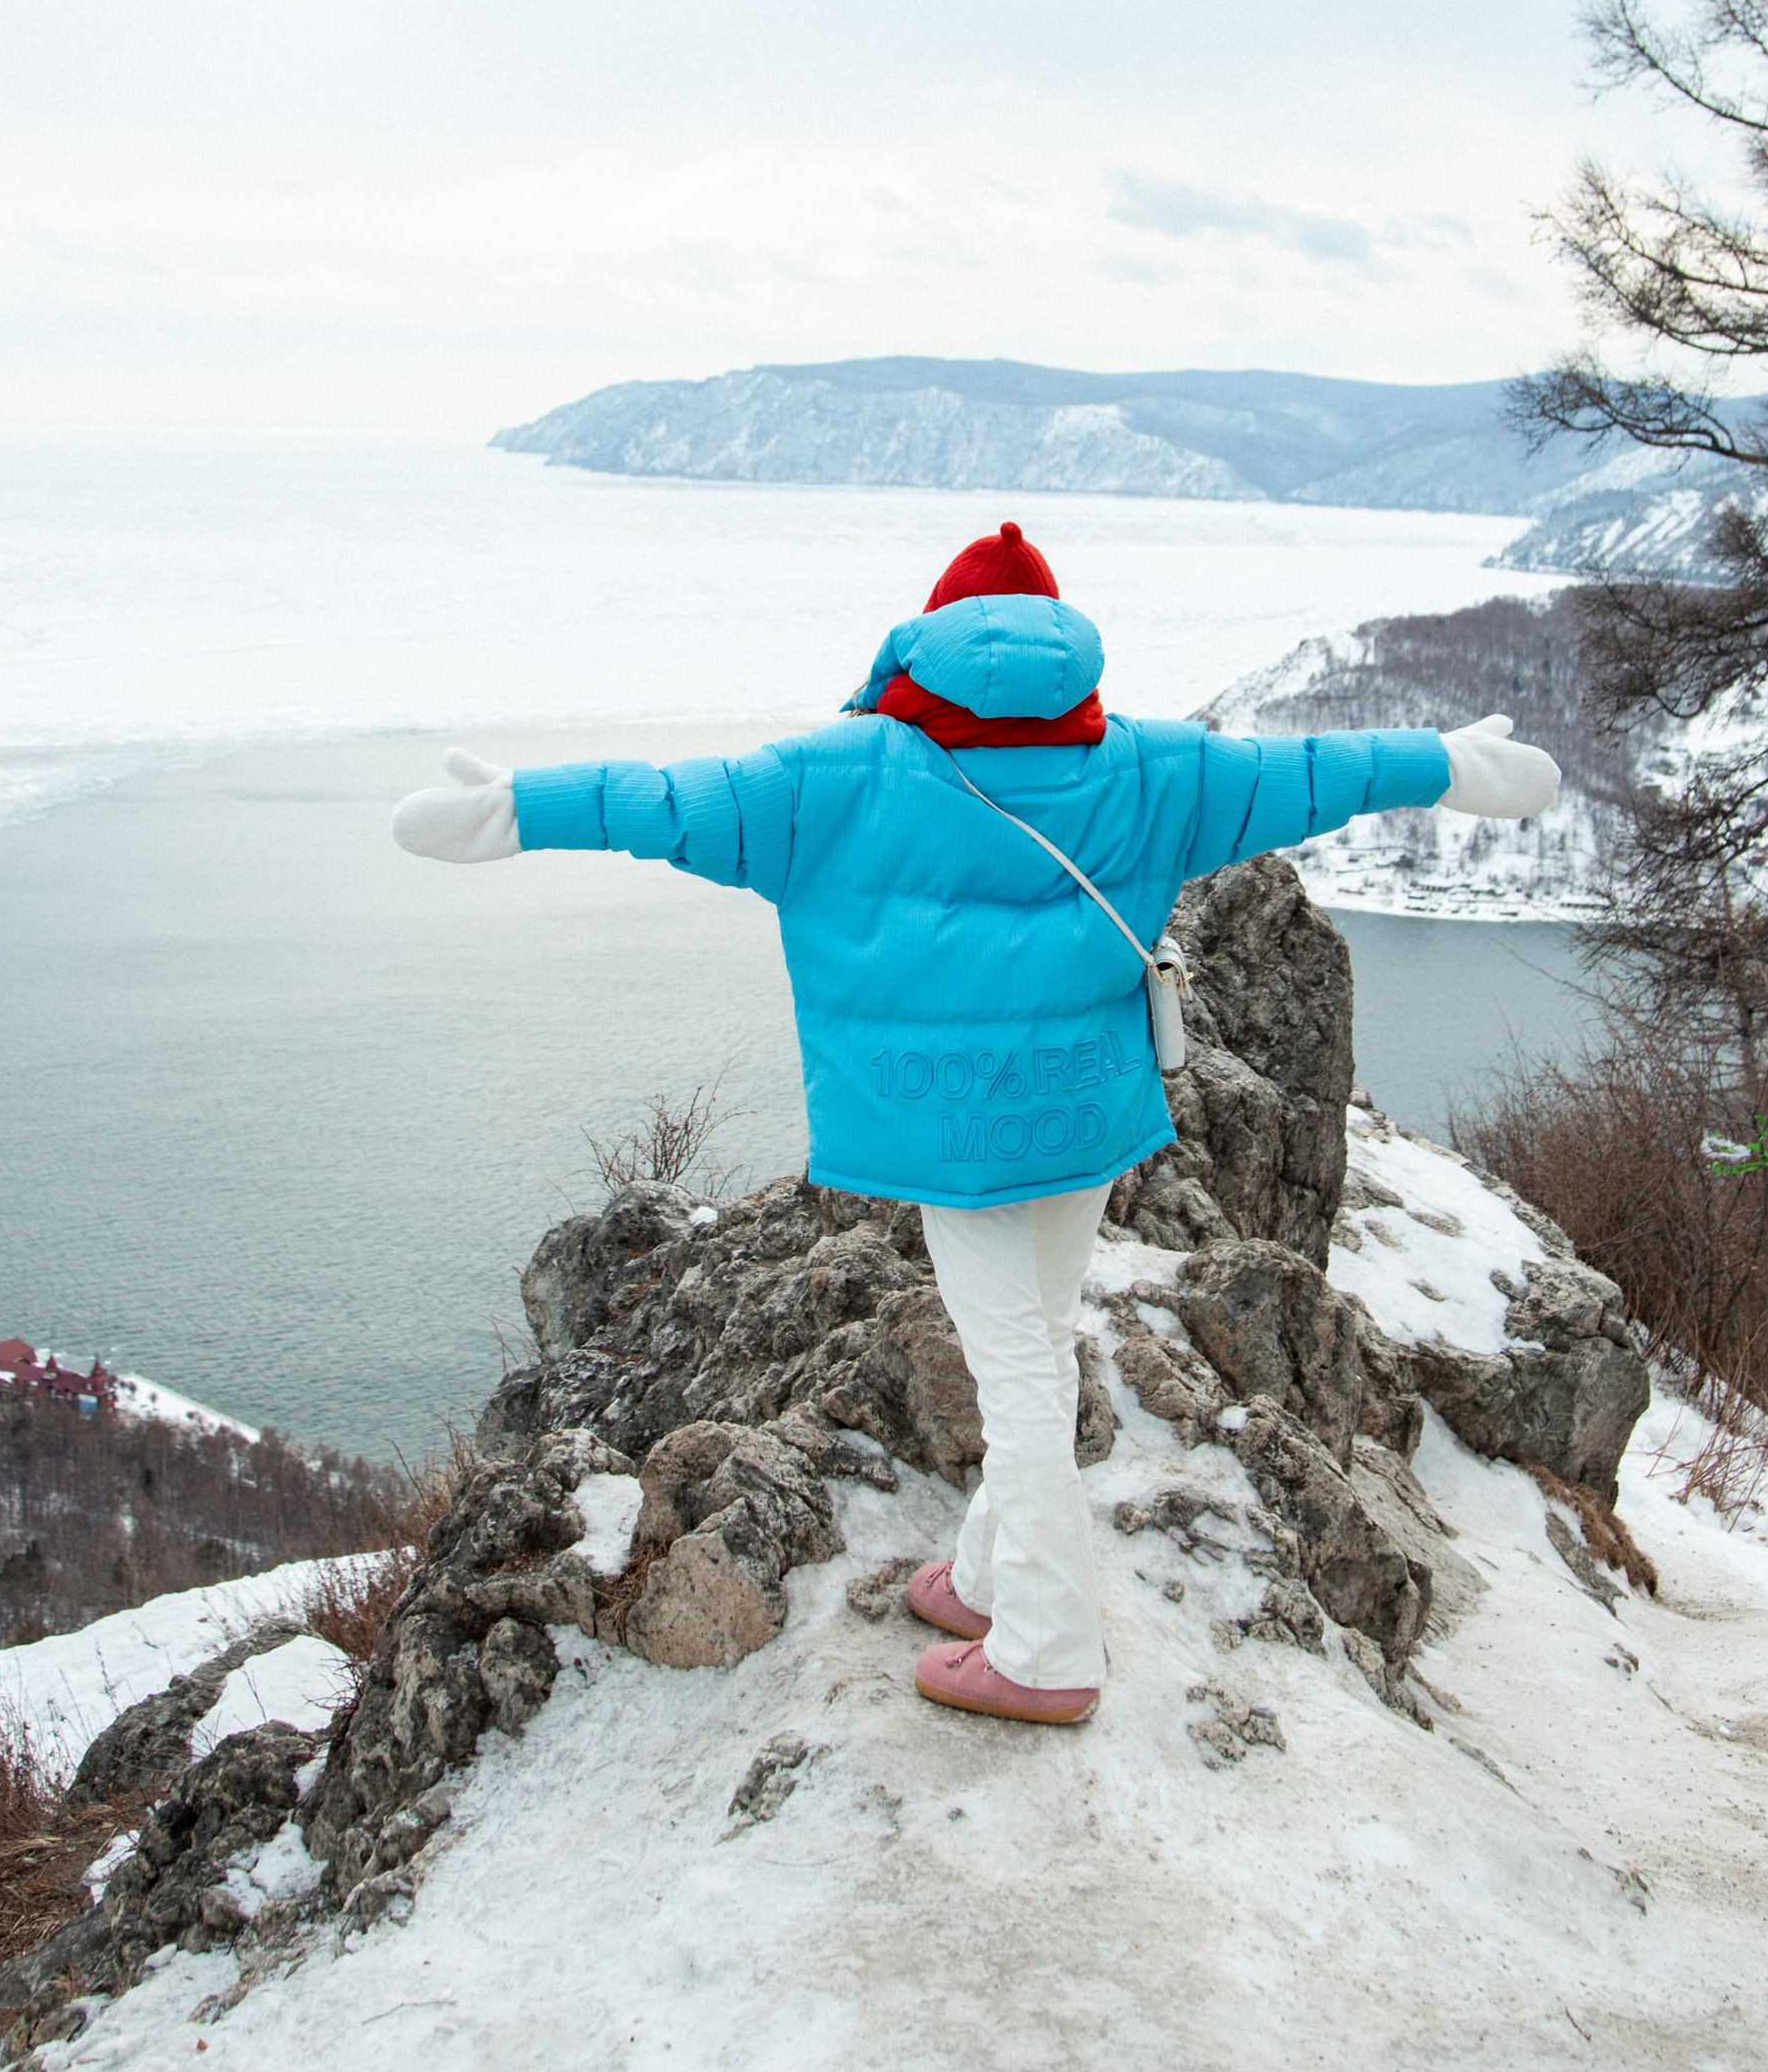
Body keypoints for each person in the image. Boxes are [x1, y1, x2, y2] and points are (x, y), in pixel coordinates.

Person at [392, 520, 1562, 1729]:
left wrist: (515, 809)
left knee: (1016, 1369)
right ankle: (992, 1575)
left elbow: (667, 803)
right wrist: (1447, 761)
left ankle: (1049, 1652)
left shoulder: (830, 779)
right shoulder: (1154, 770)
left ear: (923, 650)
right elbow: (1316, 769)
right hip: (1082, 1119)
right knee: (1039, 1342)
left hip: (955, 1141)